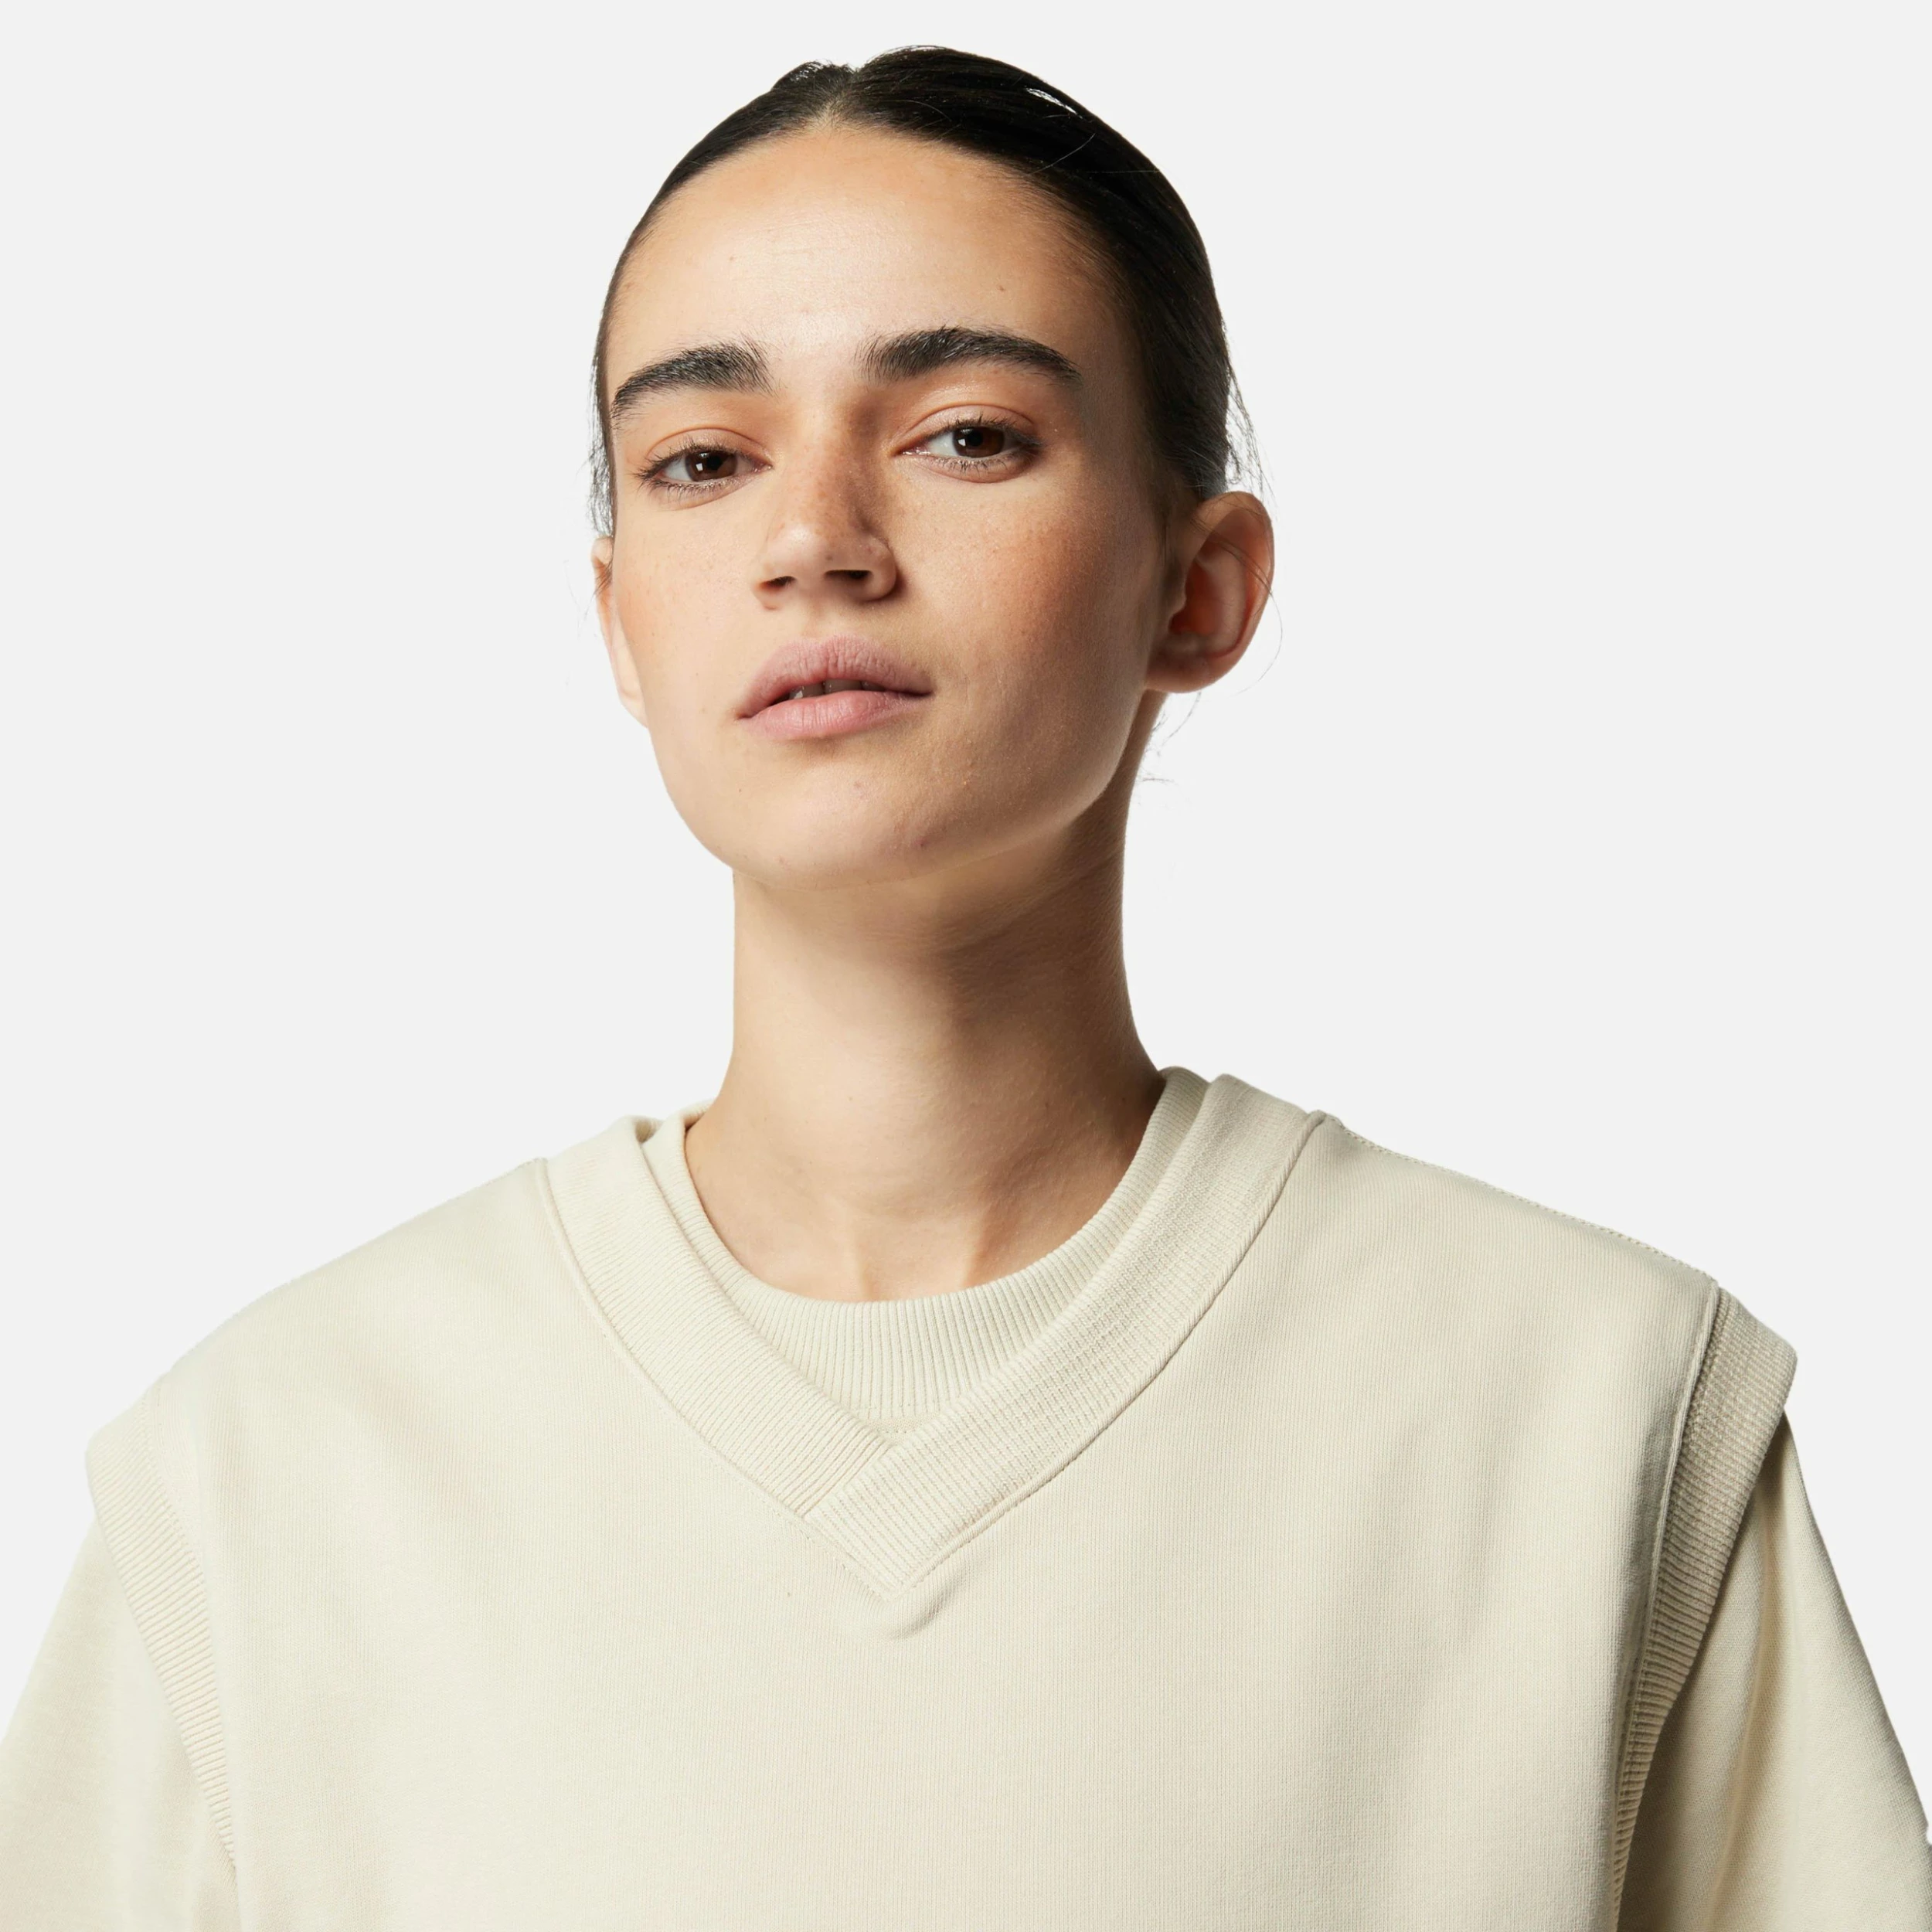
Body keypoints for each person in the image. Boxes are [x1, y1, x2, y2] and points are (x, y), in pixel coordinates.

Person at [2, 45, 1926, 1930]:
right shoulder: (266, 1473)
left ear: (1197, 586)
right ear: (619, 619)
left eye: (964, 436)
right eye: (701, 460)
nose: (811, 542)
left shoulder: (1597, 1413)